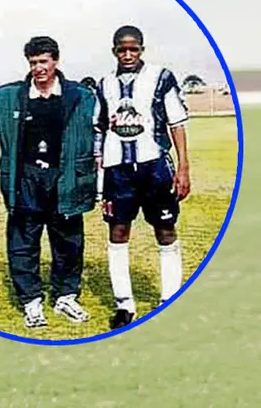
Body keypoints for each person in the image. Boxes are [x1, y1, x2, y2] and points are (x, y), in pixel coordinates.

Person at [0, 36, 96, 329]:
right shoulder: (8, 96)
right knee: (23, 240)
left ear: (55, 61)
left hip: (65, 177)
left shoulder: (80, 95)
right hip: (26, 177)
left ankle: (66, 296)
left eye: (44, 61)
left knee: (68, 240)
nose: (39, 68)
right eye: (33, 62)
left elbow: (98, 130)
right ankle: (31, 302)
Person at [94, 25, 191, 330]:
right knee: (118, 232)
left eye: (133, 49)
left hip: (154, 167)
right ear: (114, 51)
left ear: (142, 50)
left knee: (165, 228)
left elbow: (176, 122)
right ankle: (125, 305)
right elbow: (99, 128)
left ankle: (170, 298)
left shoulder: (160, 77)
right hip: (117, 170)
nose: (127, 54)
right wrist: (100, 167)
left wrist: (184, 167)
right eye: (121, 50)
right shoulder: (105, 84)